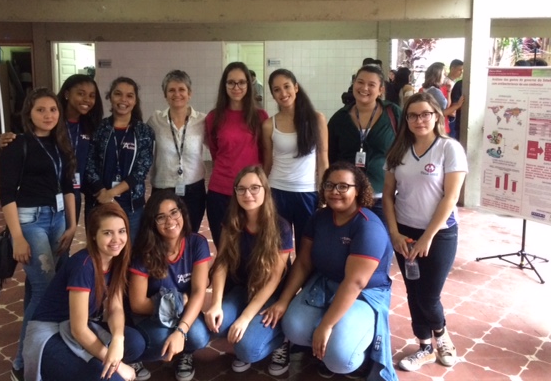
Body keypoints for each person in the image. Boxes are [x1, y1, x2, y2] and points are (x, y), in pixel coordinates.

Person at [262, 162, 397, 381]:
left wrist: (326, 326)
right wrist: (284, 301)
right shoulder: (319, 218)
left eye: (343, 186)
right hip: (325, 283)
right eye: (329, 185)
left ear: (358, 191)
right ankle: (326, 342)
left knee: (340, 358)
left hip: (363, 294)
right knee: (292, 327)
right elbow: (304, 263)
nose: (335, 191)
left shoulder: (368, 226)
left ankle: (360, 348)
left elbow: (354, 283)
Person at [382, 92, 468, 372]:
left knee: (429, 295)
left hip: (439, 235)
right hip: (405, 233)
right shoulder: (398, 151)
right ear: (405, 119)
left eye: (425, 114)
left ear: (436, 117)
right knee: (412, 291)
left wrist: (428, 237)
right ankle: (424, 347)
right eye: (413, 115)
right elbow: (387, 195)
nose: (419, 120)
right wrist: (394, 233)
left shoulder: (449, 148)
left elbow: (450, 198)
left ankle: (442, 337)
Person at [0, 87, 77, 380]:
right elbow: (6, 194)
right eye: (40, 110)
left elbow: (68, 187)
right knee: (46, 290)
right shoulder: (17, 145)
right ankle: (22, 362)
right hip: (29, 222)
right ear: (28, 113)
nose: (48, 115)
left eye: (53, 110)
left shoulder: (60, 144)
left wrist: (72, 225)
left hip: (58, 220)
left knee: (44, 287)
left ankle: (49, 346)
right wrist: (17, 236)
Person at [23, 203, 146, 381]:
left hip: (75, 327)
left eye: (121, 231)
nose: (116, 239)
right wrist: (117, 365)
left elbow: (115, 307)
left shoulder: (116, 260)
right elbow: (79, 330)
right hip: (50, 333)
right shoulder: (84, 265)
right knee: (115, 378)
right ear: (94, 236)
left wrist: (118, 339)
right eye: (107, 233)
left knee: (134, 343)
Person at [205, 166, 294, 377]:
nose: (248, 194)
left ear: (265, 190)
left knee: (247, 349)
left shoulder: (281, 227)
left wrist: (245, 317)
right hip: (242, 288)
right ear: (235, 192)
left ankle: (282, 340)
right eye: (242, 189)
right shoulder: (232, 221)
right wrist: (216, 303)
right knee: (207, 329)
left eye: (255, 188)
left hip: (270, 295)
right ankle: (249, 328)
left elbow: (274, 279)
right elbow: (222, 262)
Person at [0, 74, 104, 230]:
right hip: (50, 192)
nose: (86, 100)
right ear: (67, 94)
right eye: (80, 93)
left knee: (67, 238)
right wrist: (5, 139)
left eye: (91, 96)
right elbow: (30, 141)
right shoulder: (49, 122)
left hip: (74, 191)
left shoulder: (92, 125)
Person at [129, 192, 211, 381]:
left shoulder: (197, 242)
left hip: (179, 313)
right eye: (161, 217)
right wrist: (179, 301)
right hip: (149, 316)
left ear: (182, 213)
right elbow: (138, 304)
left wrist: (181, 330)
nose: (170, 220)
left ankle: (185, 353)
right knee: (161, 341)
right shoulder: (144, 250)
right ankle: (133, 355)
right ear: (152, 222)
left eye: (174, 212)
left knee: (198, 336)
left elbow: (199, 291)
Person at [262, 68, 328, 252]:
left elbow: (323, 160)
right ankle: (281, 280)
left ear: (296, 87)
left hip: (307, 192)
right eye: (277, 90)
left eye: (286, 86)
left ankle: (303, 282)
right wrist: (261, 190)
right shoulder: (269, 125)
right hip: (277, 191)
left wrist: (323, 195)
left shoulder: (317, 119)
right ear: (273, 95)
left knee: (306, 247)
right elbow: (268, 162)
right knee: (277, 246)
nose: (283, 93)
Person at [327, 64, 402, 222]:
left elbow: (406, 147)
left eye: (371, 84)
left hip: (382, 197)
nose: (364, 88)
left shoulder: (393, 113)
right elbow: (330, 156)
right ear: (353, 84)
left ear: (381, 90)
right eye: (360, 82)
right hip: (347, 197)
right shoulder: (340, 118)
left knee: (381, 241)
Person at [205, 62, 268, 247]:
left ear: (249, 85)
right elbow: (215, 151)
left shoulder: (260, 116)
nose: (236, 87)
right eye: (231, 82)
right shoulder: (213, 117)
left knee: (251, 247)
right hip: (221, 191)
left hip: (251, 192)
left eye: (241, 82)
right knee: (224, 248)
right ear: (224, 86)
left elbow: (264, 153)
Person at [85, 77, 155, 244]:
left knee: (129, 254)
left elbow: (141, 169)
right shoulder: (99, 128)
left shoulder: (144, 131)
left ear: (135, 100)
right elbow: (89, 163)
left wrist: (112, 193)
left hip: (131, 206)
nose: (123, 100)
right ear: (110, 96)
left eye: (129, 96)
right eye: (118, 94)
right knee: (99, 253)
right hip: (98, 202)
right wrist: (102, 192)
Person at [147, 70, 207, 234]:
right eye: (171, 90)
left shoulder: (202, 121)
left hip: (194, 189)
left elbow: (218, 148)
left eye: (181, 89)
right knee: (164, 234)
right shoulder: (155, 121)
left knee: (190, 232)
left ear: (189, 93)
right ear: (165, 95)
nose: (177, 94)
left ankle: (187, 260)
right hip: (163, 188)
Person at [421, 62, 464, 135]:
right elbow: (441, 112)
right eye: (443, 74)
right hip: (436, 127)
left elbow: (446, 106)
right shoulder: (434, 91)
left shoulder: (431, 89)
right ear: (437, 75)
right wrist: (458, 105)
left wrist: (449, 91)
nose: (445, 76)